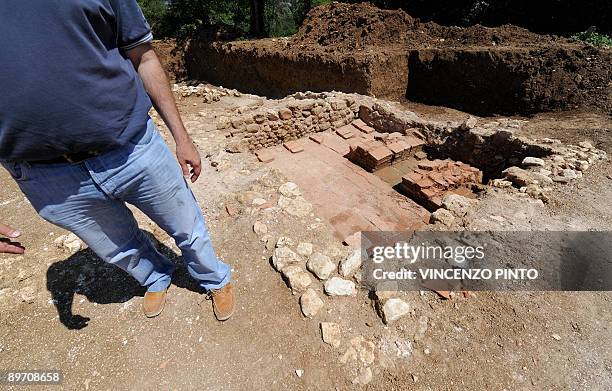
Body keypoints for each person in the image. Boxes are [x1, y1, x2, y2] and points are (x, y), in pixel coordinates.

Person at [0, 1, 234, 321]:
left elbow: (144, 57)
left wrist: (182, 137)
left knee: (186, 225)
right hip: (43, 175)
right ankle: (155, 277)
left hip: (132, 146)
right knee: (118, 247)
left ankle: (214, 277)